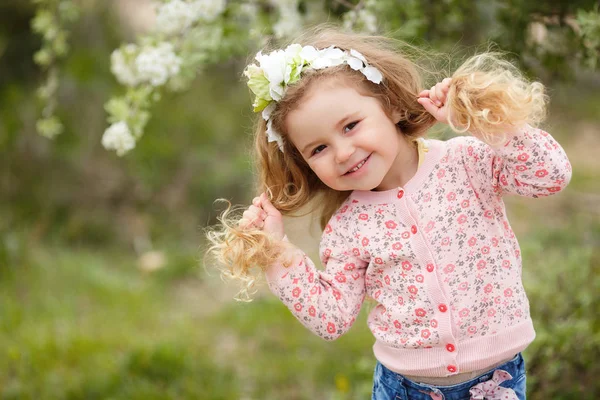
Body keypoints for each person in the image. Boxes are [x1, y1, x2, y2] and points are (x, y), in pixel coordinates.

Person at [205, 26, 572, 400]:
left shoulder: (467, 161)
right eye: (318, 149)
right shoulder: (348, 227)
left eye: (351, 125)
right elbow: (331, 318)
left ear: (392, 105)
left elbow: (550, 176)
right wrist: (275, 251)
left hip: (498, 382)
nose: (343, 152)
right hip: (403, 389)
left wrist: (484, 120)